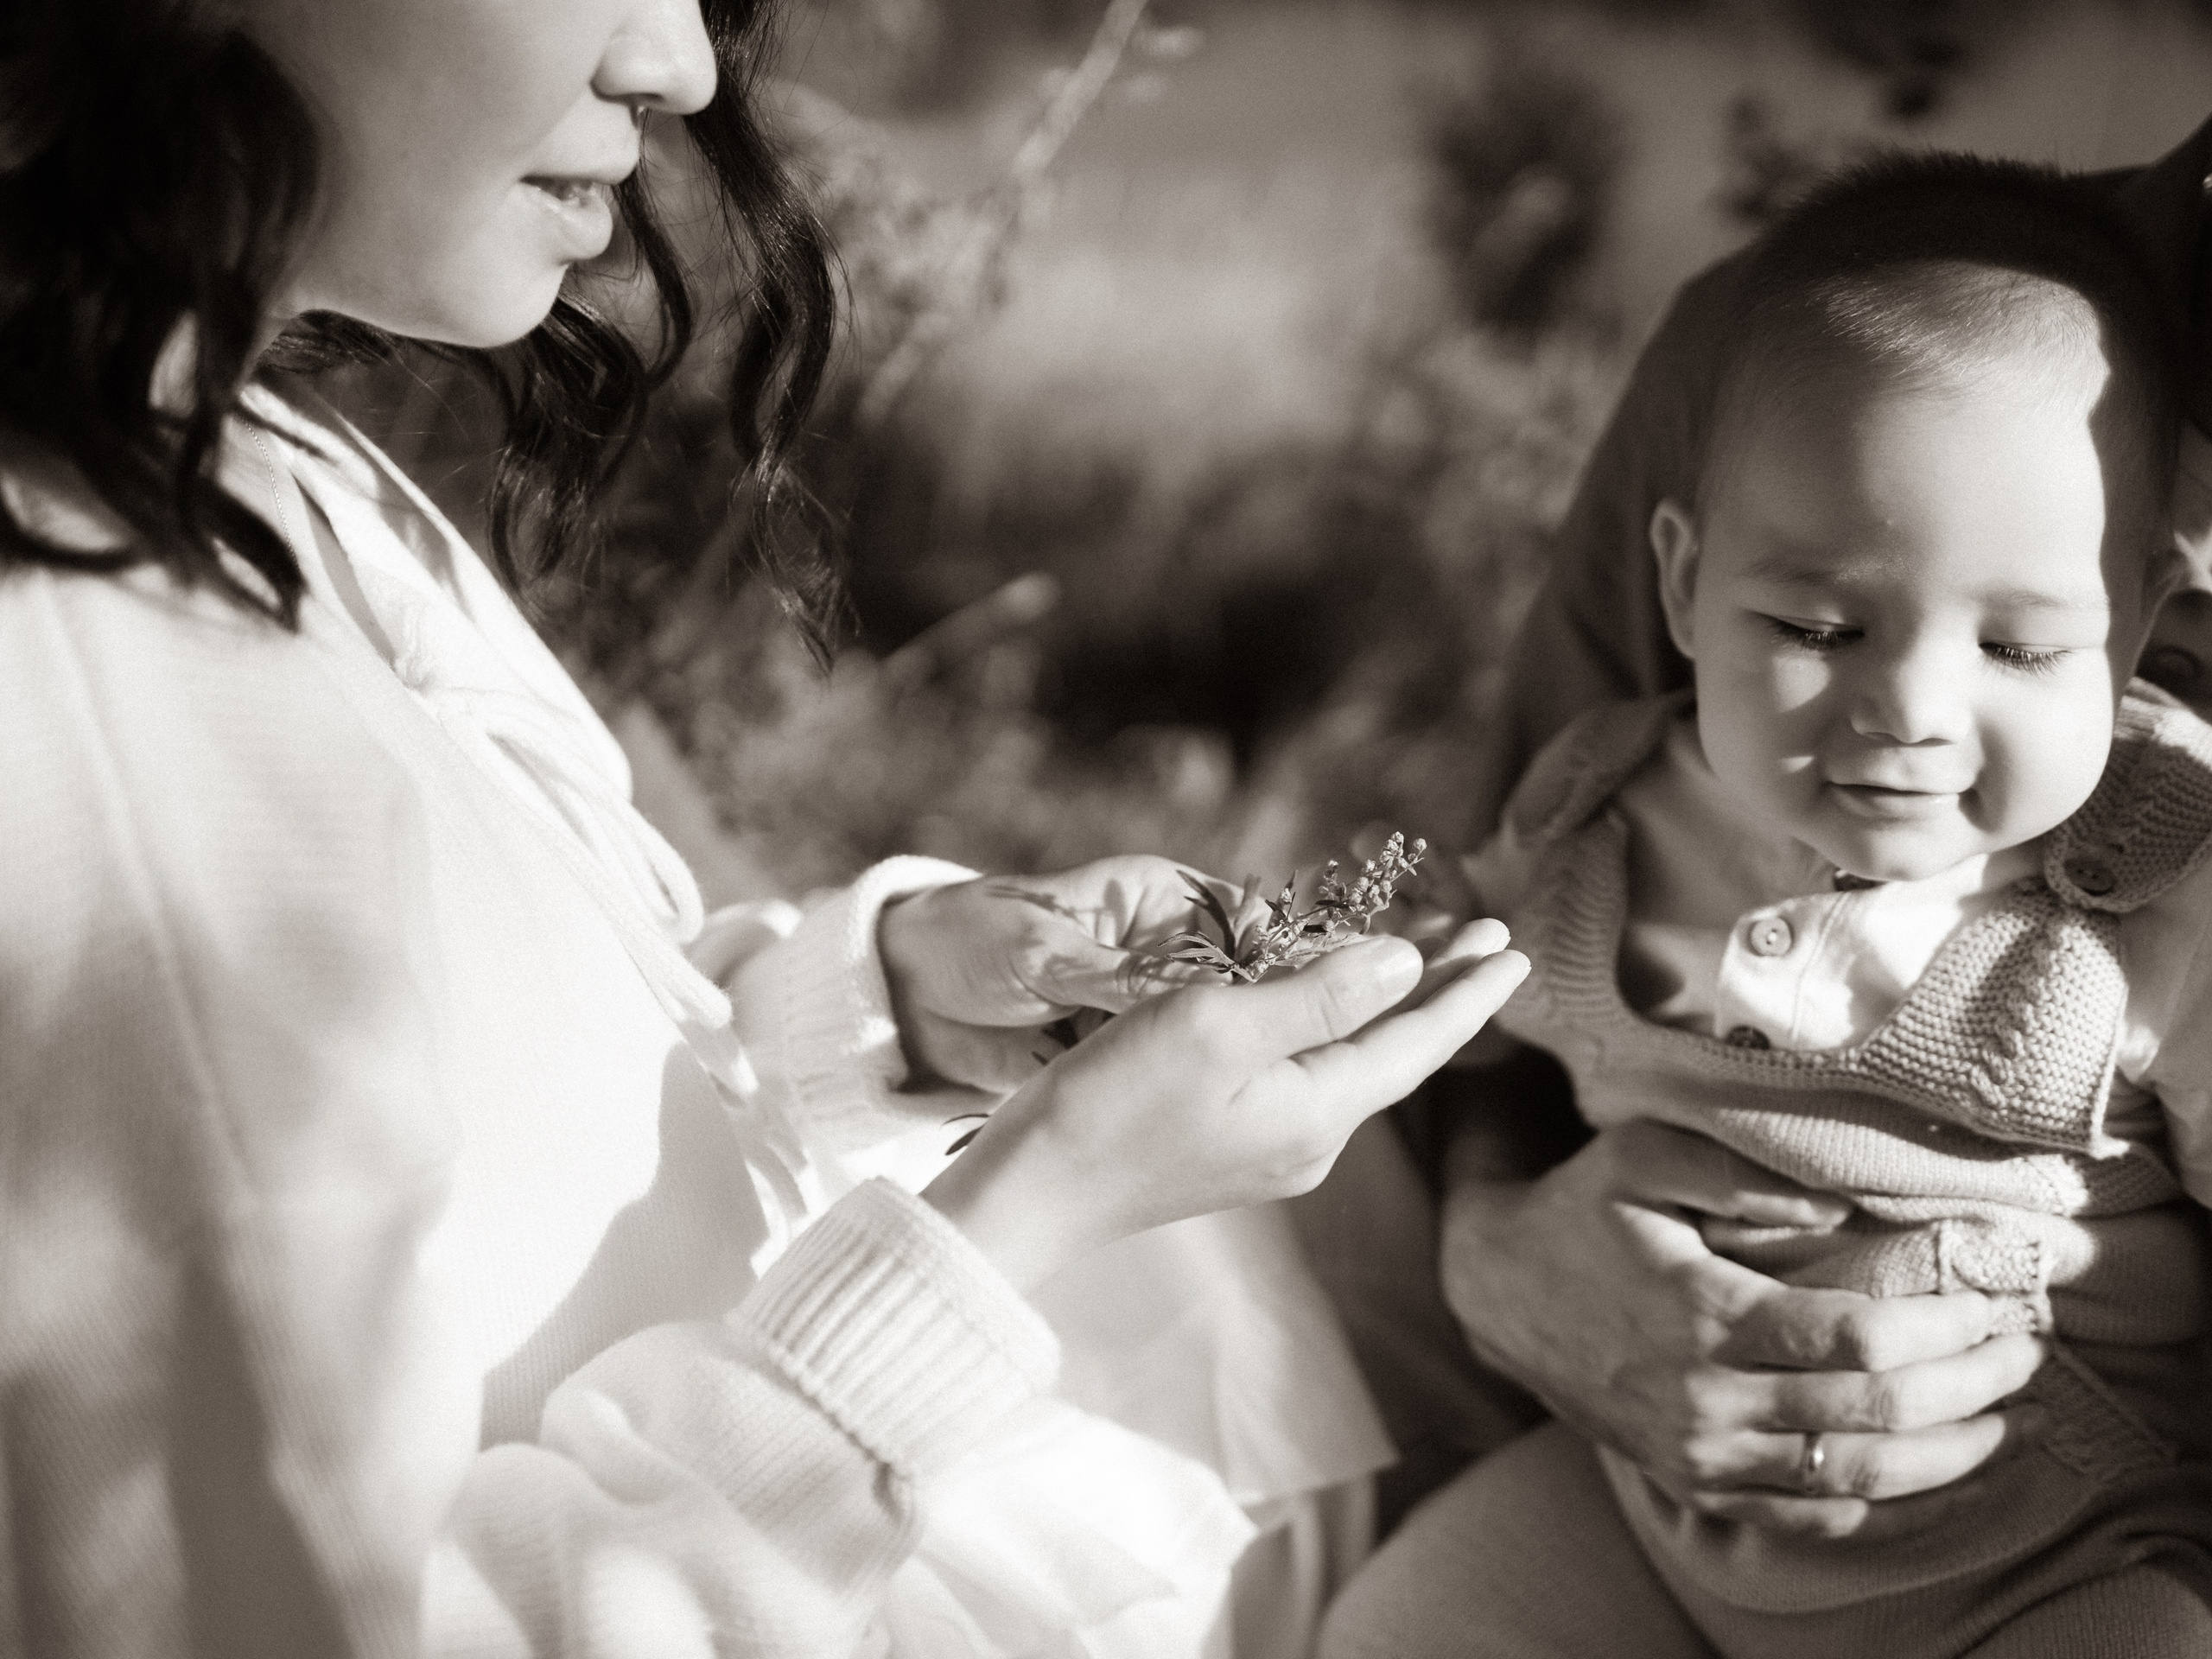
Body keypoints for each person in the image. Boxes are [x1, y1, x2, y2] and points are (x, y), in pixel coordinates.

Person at [0, 3, 1532, 1656]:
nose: (680, 63)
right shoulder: (87, 706)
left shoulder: (246, 451)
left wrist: (880, 1007)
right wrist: (1026, 1219)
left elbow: (511, 1122)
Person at [1325, 153, 2212, 1656]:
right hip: (1653, 1506)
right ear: (1683, 589)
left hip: (2049, 1547)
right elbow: (1457, 974)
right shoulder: (1608, 814)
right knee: (1402, 1623)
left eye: (2023, 649)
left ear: (2144, 627)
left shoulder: (2162, 888)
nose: (1912, 710)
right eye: (1813, 627)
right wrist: (1374, 976)